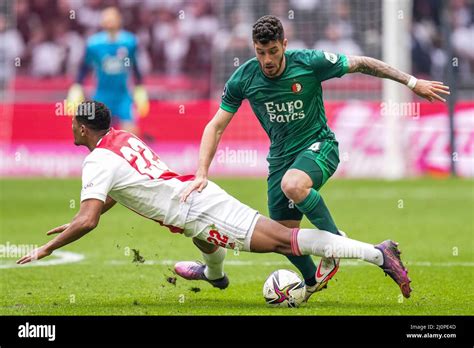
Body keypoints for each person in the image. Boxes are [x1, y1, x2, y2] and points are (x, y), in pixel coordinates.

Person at [17, 101, 412, 299]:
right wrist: (82, 216)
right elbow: (124, 188)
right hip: (191, 203)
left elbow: (88, 220)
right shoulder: (123, 138)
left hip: (200, 208)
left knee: (282, 241)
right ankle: (214, 275)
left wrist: (47, 248)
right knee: (201, 238)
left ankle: (378, 252)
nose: (69, 125)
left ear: (82, 128)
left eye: (72, 122)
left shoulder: (97, 161)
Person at [178, 15, 449, 301]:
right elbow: (216, 126)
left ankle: (335, 242)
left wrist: (412, 81)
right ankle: (311, 281)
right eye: (260, 52)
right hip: (281, 158)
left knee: (293, 185)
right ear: (254, 48)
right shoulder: (243, 79)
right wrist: (201, 173)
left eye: (273, 51)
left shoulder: (309, 62)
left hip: (320, 146)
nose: (267, 59)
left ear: (284, 44)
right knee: (281, 237)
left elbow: (364, 63)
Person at [66, 6, 149, 134]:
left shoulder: (130, 42)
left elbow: (135, 66)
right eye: (106, 17)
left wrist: (139, 88)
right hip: (102, 95)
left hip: (123, 96)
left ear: (119, 20)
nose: (110, 20)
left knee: (131, 134)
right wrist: (77, 86)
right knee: (96, 135)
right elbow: (85, 67)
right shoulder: (94, 44)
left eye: (113, 17)